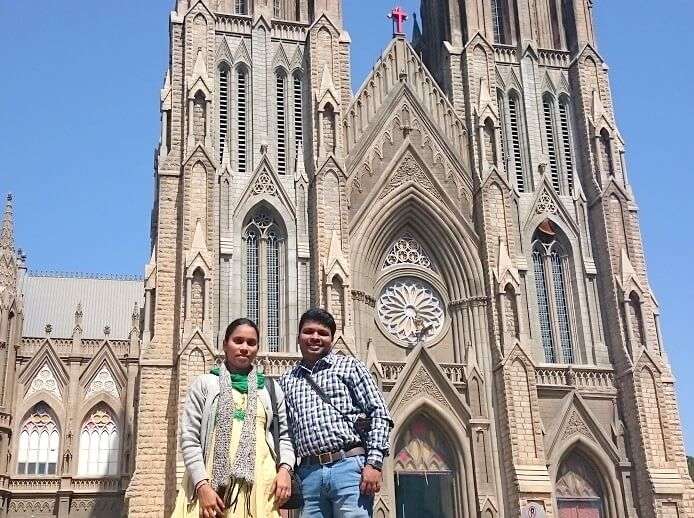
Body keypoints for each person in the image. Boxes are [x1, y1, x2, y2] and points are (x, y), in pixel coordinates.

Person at [172, 318, 296, 518]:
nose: (244, 347)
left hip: (259, 489)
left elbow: (286, 435)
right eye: (238, 341)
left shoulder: (270, 390)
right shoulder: (205, 384)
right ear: (225, 344)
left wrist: (285, 470)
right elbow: (189, 438)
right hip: (211, 489)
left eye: (251, 342)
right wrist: (202, 486)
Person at [280, 308, 393, 518]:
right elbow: (285, 432)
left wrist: (374, 463)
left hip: (349, 467)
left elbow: (379, 413)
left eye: (323, 333)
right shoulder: (287, 379)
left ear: (331, 339)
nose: (315, 337)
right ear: (298, 337)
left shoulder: (350, 366)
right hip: (309, 474)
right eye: (309, 332)